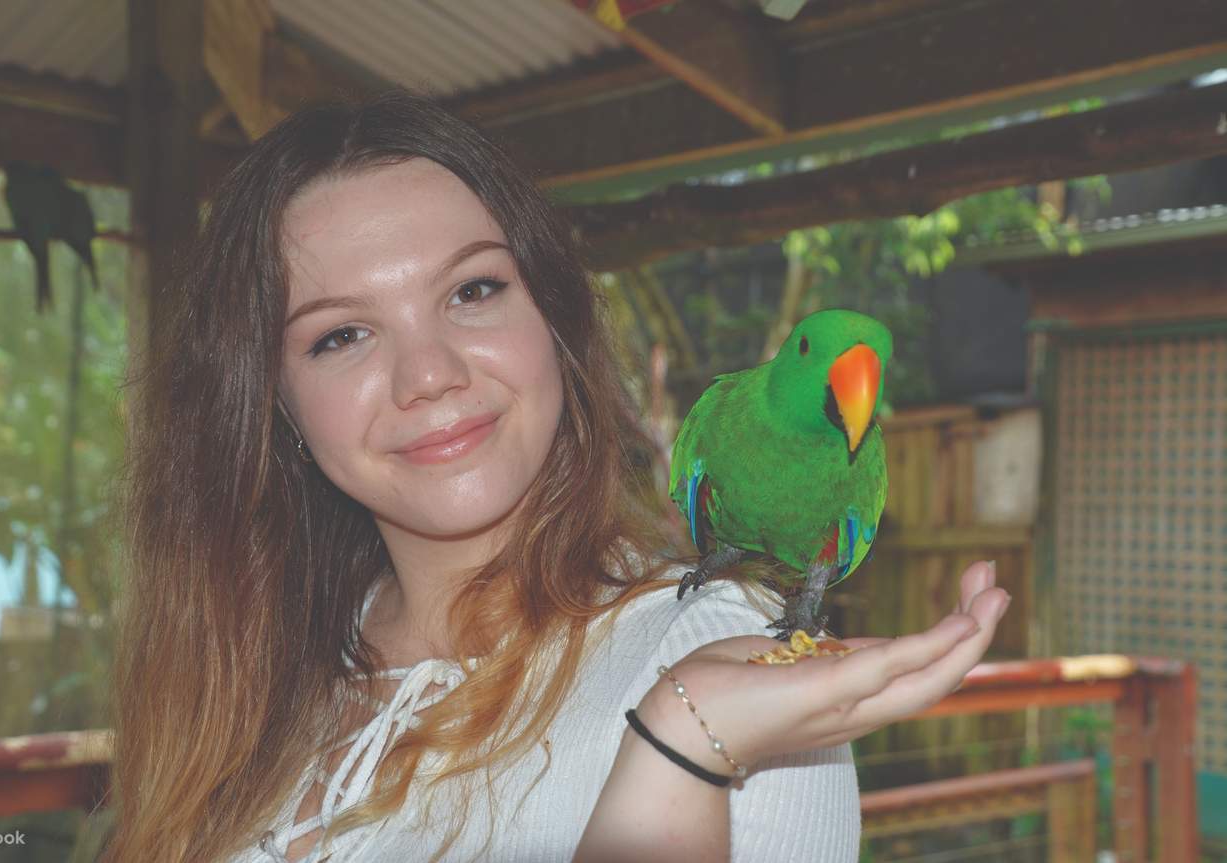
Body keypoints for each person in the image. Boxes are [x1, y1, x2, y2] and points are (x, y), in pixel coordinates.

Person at [102, 88, 1010, 863]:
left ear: (555, 322)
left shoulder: (716, 661)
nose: (430, 374)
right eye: (339, 334)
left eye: (473, 290)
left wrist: (678, 751)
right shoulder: (237, 676)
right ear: (273, 403)